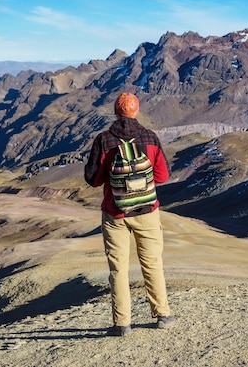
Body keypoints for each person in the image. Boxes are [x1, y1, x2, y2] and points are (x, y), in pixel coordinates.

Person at [84, 92, 175, 336]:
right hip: (147, 212)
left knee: (118, 269)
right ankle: (162, 315)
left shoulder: (104, 140)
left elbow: (93, 179)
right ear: (136, 111)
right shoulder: (151, 138)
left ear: (116, 111)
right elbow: (163, 176)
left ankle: (122, 324)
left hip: (115, 215)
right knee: (152, 263)